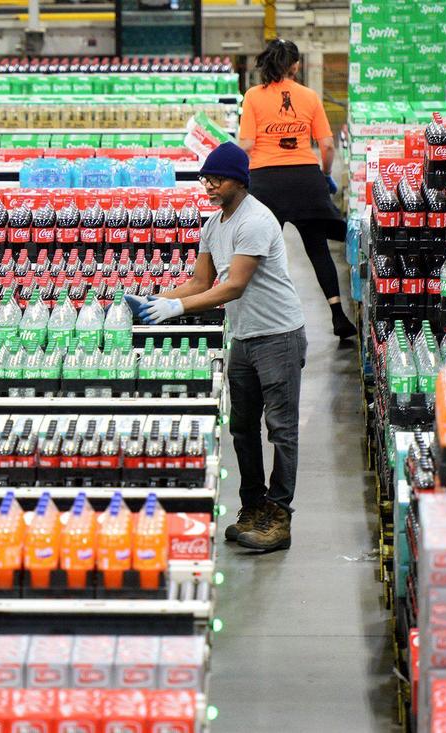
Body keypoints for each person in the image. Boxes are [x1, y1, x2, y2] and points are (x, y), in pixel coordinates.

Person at [129, 142, 306, 551]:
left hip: (277, 335)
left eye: (217, 179)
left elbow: (234, 285)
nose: (209, 186)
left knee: (280, 429)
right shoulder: (214, 225)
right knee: (241, 427)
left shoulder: (256, 221)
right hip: (244, 337)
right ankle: (252, 505)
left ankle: (279, 516)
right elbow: (199, 282)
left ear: (239, 181)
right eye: (205, 179)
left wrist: (177, 307)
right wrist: (156, 300)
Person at [239, 38, 357, 341]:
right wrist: (324, 174)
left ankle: (267, 316)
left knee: (263, 251)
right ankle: (337, 314)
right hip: (306, 179)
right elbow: (328, 146)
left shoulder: (253, 96)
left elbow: (247, 145)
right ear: (296, 65)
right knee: (317, 248)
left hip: (266, 182)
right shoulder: (310, 96)